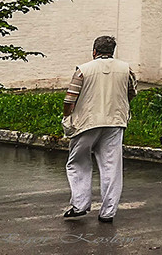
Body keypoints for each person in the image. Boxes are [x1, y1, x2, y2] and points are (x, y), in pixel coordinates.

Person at [62, 35, 137, 223]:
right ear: (112, 51)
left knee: (78, 161)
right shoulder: (126, 69)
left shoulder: (83, 70)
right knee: (111, 166)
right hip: (115, 121)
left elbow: (69, 99)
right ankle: (107, 212)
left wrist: (67, 116)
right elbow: (131, 92)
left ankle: (80, 205)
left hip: (86, 122)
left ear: (94, 51)